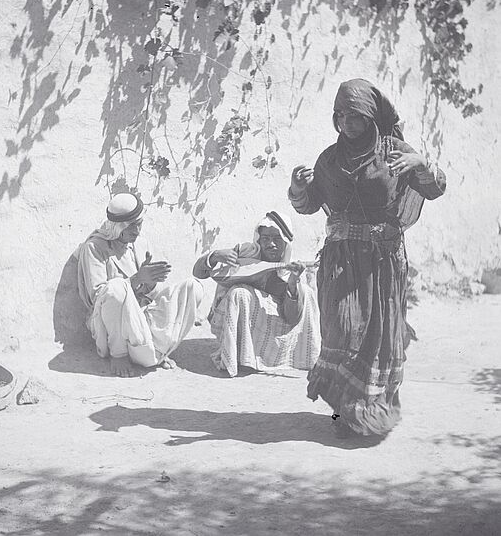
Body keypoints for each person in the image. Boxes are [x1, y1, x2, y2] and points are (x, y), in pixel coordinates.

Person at [288, 78, 446, 438]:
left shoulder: (395, 151)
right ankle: (348, 408)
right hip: (340, 262)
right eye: (341, 115)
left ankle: (368, 414)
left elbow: (435, 189)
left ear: (371, 118)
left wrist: (421, 163)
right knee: (343, 329)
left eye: (355, 115)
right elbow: (311, 204)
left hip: (382, 262)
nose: (347, 122)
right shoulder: (328, 159)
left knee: (377, 335)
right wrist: (298, 189)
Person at [77, 193, 203, 377]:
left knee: (193, 288)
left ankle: (158, 351)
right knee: (116, 288)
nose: (137, 231)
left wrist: (150, 284)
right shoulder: (95, 247)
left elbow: (155, 294)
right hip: (114, 330)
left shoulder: (140, 243)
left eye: (140, 223)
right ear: (118, 227)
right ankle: (119, 355)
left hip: (142, 318)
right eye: (132, 226)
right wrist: (135, 280)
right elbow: (98, 297)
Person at [193, 211, 321, 377]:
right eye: (266, 239)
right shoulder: (246, 253)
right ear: (258, 240)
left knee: (306, 292)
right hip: (242, 311)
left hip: (275, 328)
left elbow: (292, 318)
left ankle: (276, 357)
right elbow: (198, 273)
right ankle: (236, 356)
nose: (271, 244)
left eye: (277, 239)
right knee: (239, 293)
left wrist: (292, 284)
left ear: (285, 243)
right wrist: (214, 256)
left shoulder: (287, 271)